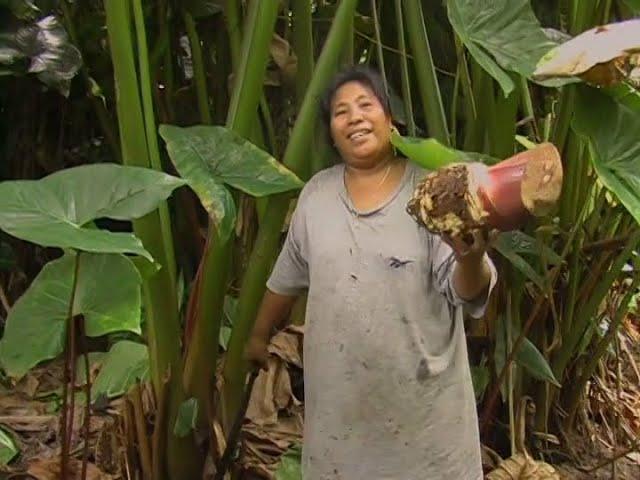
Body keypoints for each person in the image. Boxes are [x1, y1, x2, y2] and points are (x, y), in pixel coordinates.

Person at [245, 65, 497, 480]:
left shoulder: (431, 192)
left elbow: (468, 294)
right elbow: (286, 276)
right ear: (331, 131)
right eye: (341, 112)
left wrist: (471, 257)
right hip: (341, 421)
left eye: (366, 104)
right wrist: (256, 337)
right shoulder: (316, 195)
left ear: (391, 117)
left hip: (425, 423)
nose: (355, 117)